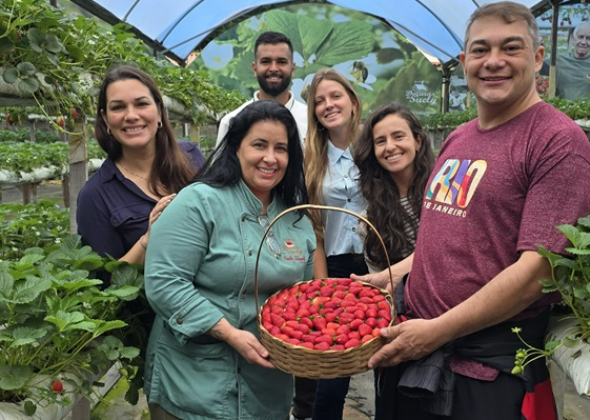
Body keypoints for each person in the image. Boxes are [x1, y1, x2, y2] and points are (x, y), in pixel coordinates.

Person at [360, 3, 590, 420]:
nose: (494, 62)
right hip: (417, 345)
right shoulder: (459, 138)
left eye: (511, 48)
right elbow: (444, 231)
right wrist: (394, 275)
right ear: (465, 62)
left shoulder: (557, 141)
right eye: (481, 50)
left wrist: (435, 332)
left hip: (484, 371)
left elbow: (538, 272)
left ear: (538, 58)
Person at [143, 100, 316, 420]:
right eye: (259, 145)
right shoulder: (198, 202)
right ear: (235, 148)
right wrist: (227, 331)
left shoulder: (296, 221)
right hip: (194, 386)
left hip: (268, 386)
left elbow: (304, 298)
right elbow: (164, 282)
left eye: (281, 148)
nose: (270, 158)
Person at [352, 102, 434, 419]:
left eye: (398, 136)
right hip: (403, 332)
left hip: (453, 323)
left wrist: (400, 270)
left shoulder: (445, 192)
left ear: (417, 140)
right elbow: (386, 288)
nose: (390, 147)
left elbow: (452, 250)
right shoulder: (369, 220)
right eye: (380, 141)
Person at [77, 64, 205, 267]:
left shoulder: (192, 156)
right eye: (118, 107)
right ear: (105, 119)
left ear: (160, 112)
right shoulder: (95, 196)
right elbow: (107, 285)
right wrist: (149, 238)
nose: (131, 115)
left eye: (141, 104)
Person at [304, 68, 368, 420]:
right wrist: (321, 283)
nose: (328, 105)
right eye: (320, 101)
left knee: (390, 355)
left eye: (335, 96)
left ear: (353, 101)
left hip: (379, 262)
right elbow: (312, 226)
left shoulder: (376, 148)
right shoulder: (311, 158)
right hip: (336, 265)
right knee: (334, 369)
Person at [216, 31, 307, 148]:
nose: (274, 68)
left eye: (281, 62)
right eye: (266, 62)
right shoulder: (231, 122)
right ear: (255, 68)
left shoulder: (311, 122)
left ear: (293, 68)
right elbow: (222, 166)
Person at [545, 21, 590, 100]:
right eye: (580, 37)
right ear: (573, 38)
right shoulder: (558, 60)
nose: (583, 42)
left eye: (588, 38)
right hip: (562, 110)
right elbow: (534, 65)